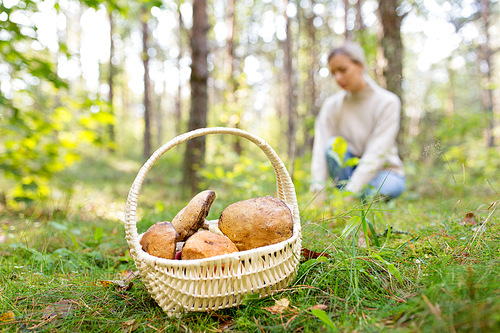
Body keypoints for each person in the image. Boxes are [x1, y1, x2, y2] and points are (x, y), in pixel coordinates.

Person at [310, 41, 405, 200]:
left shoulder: (388, 102)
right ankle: (352, 197)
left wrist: (350, 195)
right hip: (347, 174)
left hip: (384, 173)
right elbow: (320, 149)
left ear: (360, 65)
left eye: (343, 70)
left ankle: (351, 197)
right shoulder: (331, 106)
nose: (338, 77)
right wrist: (318, 193)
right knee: (332, 145)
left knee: (377, 189)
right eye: (333, 73)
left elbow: (376, 154)